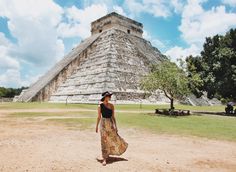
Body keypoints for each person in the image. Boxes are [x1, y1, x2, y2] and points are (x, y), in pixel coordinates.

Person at [95, 91, 128, 166]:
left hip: (110, 124)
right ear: (105, 97)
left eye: (110, 96)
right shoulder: (100, 106)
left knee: (114, 138)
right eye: (108, 96)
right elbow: (99, 117)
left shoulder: (112, 105)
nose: (110, 97)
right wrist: (96, 126)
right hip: (103, 124)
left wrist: (115, 126)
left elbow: (113, 117)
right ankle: (104, 158)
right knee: (104, 140)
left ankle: (111, 151)